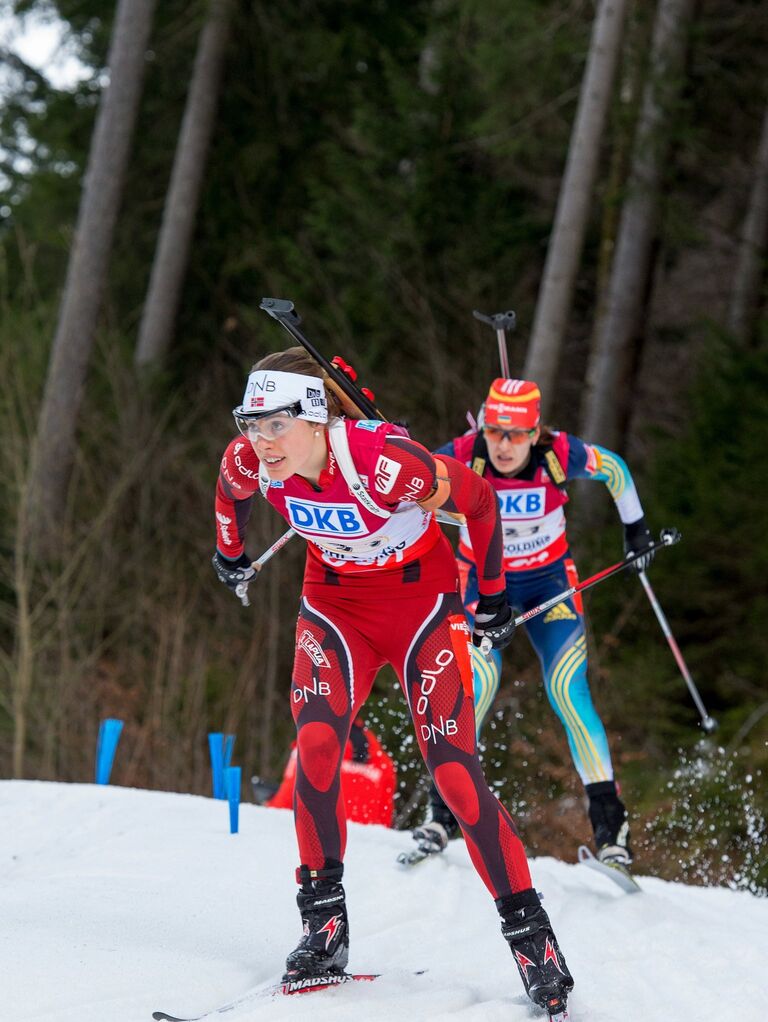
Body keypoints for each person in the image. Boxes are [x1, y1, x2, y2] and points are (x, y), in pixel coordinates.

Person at [212, 349, 573, 1013]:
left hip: (422, 604)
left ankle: (534, 944)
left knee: (454, 772)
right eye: (249, 424)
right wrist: (229, 555)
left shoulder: (382, 462)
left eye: (274, 425)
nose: (258, 442)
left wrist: (491, 596)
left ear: (316, 420)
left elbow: (478, 501)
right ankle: (324, 927)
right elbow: (228, 497)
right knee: (317, 744)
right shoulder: (252, 463)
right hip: (334, 603)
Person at [411, 378, 653, 870]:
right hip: (481, 587)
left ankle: (611, 828)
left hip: (550, 586)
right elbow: (406, 484)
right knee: (474, 686)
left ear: (535, 432)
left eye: (516, 434)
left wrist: (636, 529)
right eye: (495, 431)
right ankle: (443, 814)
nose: (503, 445)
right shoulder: (462, 453)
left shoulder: (561, 453)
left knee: (568, 689)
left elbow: (617, 471)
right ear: (482, 426)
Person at [252, 717, 397, 827]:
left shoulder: (309, 743)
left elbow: (284, 805)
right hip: (368, 848)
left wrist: (268, 805)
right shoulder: (379, 756)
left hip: (322, 845)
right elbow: (385, 819)